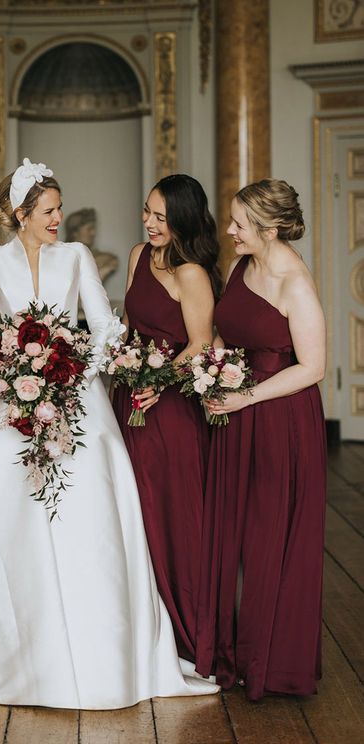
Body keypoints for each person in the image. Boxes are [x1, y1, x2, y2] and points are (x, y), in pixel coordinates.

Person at [0, 159, 219, 709]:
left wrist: (65, 369)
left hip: (78, 399)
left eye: (59, 209)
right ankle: (10, 650)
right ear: (20, 214)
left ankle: (109, 649)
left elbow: (104, 327)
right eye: (48, 211)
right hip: (10, 400)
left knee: (89, 515)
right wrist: (5, 368)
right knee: (4, 515)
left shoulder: (76, 258)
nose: (59, 218)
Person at [195, 179, 327, 700]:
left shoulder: (296, 282)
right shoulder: (239, 267)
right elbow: (228, 330)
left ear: (269, 229)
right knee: (232, 531)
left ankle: (272, 663)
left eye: (239, 224)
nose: (229, 231)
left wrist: (245, 397)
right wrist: (214, 373)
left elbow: (314, 368)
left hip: (279, 419)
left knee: (272, 534)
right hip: (234, 410)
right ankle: (230, 651)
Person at [113, 174, 220, 662]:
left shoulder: (192, 273)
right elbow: (130, 326)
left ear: (182, 220)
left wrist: (158, 381)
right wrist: (122, 366)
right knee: (130, 510)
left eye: (161, 217)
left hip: (172, 408)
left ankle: (187, 633)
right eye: (146, 212)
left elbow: (199, 343)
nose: (150, 223)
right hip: (129, 398)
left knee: (173, 515)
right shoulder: (138, 256)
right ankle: (141, 626)